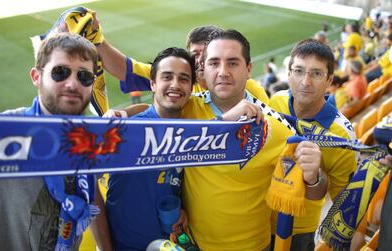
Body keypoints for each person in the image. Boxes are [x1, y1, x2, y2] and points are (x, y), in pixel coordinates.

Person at [177, 29, 325, 250]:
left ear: (248, 69)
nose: (223, 72)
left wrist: (314, 176)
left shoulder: (277, 127)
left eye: (233, 63)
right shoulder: (184, 109)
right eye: (214, 63)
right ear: (203, 70)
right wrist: (124, 114)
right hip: (192, 243)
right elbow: (149, 124)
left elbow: (315, 192)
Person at [0, 33, 100, 250]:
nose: (73, 84)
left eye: (84, 77)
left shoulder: (92, 140)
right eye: (60, 72)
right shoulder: (0, 133)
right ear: (36, 76)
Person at [91, 47, 196, 250]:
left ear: (191, 88)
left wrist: (181, 208)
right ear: (153, 84)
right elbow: (87, 185)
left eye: (184, 79)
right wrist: (104, 246)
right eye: (167, 77)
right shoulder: (126, 129)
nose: (175, 84)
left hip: (167, 245)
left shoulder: (191, 132)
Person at [269, 38, 357, 250]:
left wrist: (315, 177)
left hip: (298, 232)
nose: (305, 81)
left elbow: (342, 202)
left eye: (316, 73)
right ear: (288, 74)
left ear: (329, 80)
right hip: (256, 216)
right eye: (298, 71)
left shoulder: (342, 135)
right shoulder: (276, 102)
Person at [91, 12, 270, 103]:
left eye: (207, 54)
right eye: (195, 54)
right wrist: (97, 39)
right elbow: (126, 69)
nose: (200, 60)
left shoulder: (250, 90)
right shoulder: (180, 81)